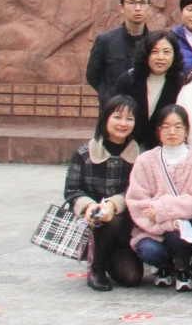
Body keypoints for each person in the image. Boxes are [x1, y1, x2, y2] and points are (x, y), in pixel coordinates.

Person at [126, 105, 192, 293]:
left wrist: (162, 210)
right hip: (151, 229)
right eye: (166, 127)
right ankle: (164, 265)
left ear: (187, 130)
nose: (172, 132)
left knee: (176, 236)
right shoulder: (145, 160)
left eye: (178, 127)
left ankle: (183, 268)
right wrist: (168, 221)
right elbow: (136, 200)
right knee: (148, 250)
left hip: (184, 229)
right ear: (158, 131)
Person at [64, 95, 144, 291]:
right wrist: (89, 206)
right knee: (110, 218)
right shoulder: (84, 153)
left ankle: (107, 256)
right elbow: (72, 190)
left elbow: (137, 189)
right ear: (105, 118)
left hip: (124, 230)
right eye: (117, 117)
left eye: (129, 118)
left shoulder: (141, 156)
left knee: (132, 277)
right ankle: (96, 268)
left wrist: (113, 204)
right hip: (91, 225)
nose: (123, 123)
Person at [111, 30, 185, 150]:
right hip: (128, 147)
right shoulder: (128, 80)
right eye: (154, 52)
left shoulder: (180, 83)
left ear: (174, 55)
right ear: (146, 54)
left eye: (166, 52)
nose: (160, 57)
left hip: (164, 149)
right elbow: (113, 114)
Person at [87, 0, 149, 104]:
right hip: (114, 109)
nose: (138, 8)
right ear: (121, 8)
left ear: (149, 8)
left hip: (144, 109)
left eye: (142, 3)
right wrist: (108, 96)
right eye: (132, 3)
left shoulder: (154, 42)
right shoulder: (105, 41)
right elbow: (92, 76)